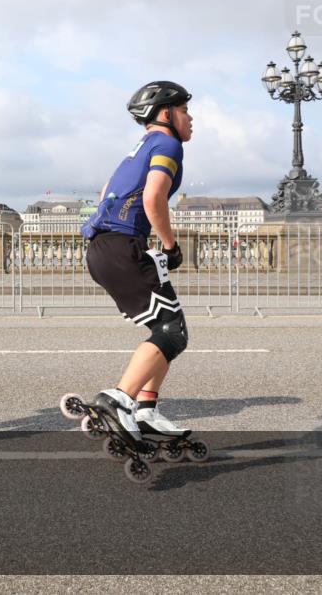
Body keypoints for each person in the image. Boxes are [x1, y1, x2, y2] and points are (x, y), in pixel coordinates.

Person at [81, 81, 194, 446]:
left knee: (167, 327)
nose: (191, 118)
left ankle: (145, 410)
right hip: (123, 247)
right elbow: (154, 197)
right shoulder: (167, 143)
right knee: (172, 332)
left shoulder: (138, 148)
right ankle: (119, 400)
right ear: (166, 114)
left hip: (103, 248)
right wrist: (169, 245)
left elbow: (105, 194)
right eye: (185, 110)